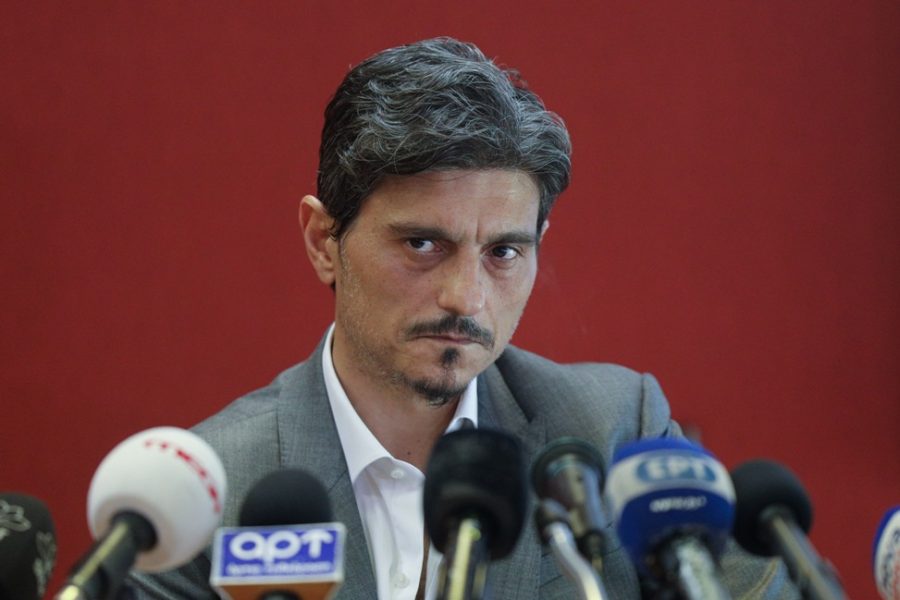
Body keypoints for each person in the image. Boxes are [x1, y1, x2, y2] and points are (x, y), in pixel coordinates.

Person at [130, 38, 796, 599]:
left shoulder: (615, 431)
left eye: (503, 252)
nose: (466, 297)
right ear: (323, 241)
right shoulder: (200, 496)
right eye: (423, 244)